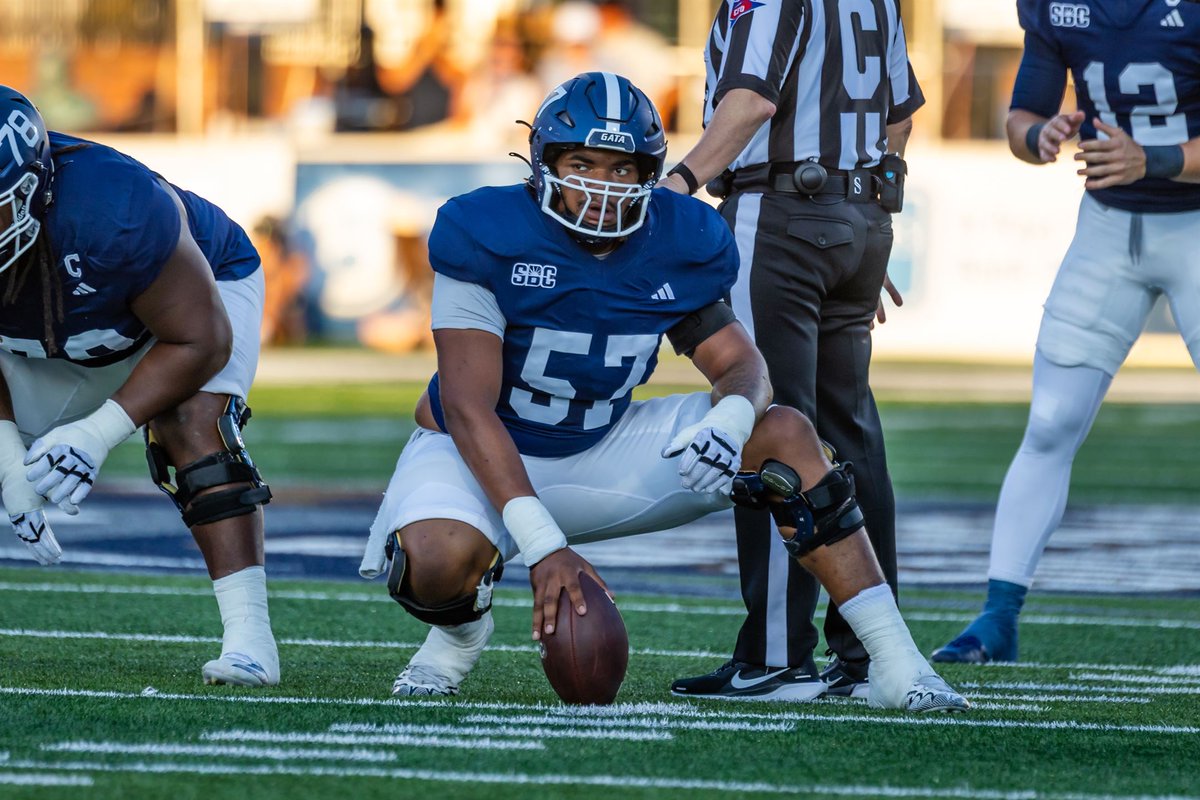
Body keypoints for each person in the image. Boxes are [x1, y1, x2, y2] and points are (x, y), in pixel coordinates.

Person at [357, 72, 967, 713]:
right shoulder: (484, 229)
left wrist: (732, 422)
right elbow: (467, 408)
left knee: (785, 433)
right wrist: (545, 547)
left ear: (649, 174)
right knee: (432, 561)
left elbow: (743, 365)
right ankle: (458, 635)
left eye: (621, 168)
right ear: (544, 164)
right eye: (582, 164)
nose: (602, 184)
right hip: (478, 451)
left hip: (601, 450)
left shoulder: (677, 238)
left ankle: (896, 661)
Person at [658, 1, 922, 700]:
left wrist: (676, 188)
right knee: (852, 433)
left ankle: (776, 653)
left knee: (772, 427)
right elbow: (899, 117)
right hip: (859, 215)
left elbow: (751, 102)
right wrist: (857, 213)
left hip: (778, 214)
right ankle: (870, 656)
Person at [932, 0, 1200, 664]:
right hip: (1108, 229)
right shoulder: (1058, 8)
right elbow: (1021, 119)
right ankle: (997, 618)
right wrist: (1041, 137)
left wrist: (1153, 160)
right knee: (1051, 423)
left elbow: (1154, 158)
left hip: (1194, 224)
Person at [0, 85, 279, 687]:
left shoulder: (114, 209)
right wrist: (6, 461)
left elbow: (201, 342)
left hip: (189, 304)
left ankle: (250, 637)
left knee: (192, 424)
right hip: (53, 329)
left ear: (34, 188)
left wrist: (96, 434)